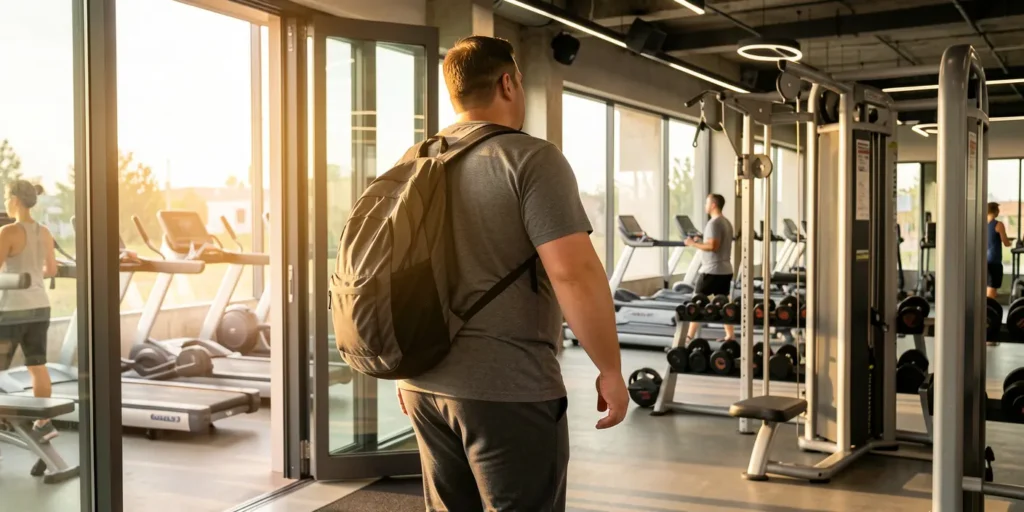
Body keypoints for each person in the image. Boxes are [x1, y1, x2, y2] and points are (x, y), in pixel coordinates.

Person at [396, 36, 627, 512]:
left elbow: (392, 275)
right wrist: (610, 368)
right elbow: (574, 273)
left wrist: (404, 370)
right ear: (507, 82)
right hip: (507, 389)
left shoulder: (414, 159)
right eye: (519, 81)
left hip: (422, 385)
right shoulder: (530, 158)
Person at [0, 180, 59, 442]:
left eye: (4, 197)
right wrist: (34, 276)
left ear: (13, 200)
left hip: (12, 309)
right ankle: (43, 422)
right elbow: (52, 271)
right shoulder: (44, 231)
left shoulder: (8, 232)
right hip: (40, 307)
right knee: (38, 366)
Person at [684, 193, 735, 343]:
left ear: (713, 205)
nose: (705, 206)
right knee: (724, 303)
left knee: (696, 303)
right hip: (725, 270)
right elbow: (715, 243)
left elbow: (713, 246)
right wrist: (700, 240)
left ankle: (688, 338)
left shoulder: (713, 223)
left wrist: (692, 244)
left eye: (707, 203)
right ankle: (730, 335)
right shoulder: (726, 222)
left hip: (712, 271)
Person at [988, 202, 1011, 300]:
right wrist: (1012, 242)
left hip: (985, 261)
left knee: (988, 288)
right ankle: (988, 313)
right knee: (991, 292)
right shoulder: (998, 225)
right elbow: (1006, 243)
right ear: (996, 211)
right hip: (994, 261)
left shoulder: (982, 225)